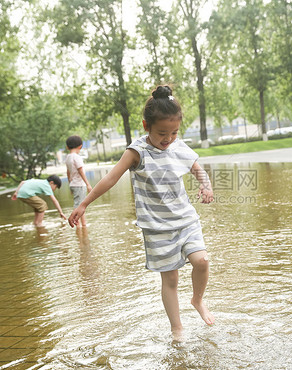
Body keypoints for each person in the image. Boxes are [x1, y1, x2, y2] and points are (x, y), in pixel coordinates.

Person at [68, 85, 215, 339]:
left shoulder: (178, 146)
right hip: (157, 227)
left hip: (185, 220)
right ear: (146, 125)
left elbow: (197, 168)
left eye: (174, 132)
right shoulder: (137, 151)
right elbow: (111, 179)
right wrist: (84, 203)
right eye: (162, 133)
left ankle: (197, 300)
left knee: (202, 260)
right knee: (170, 280)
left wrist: (206, 184)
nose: (168, 138)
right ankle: (177, 328)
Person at [65, 135, 93, 227]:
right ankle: (80, 225)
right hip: (79, 185)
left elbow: (68, 172)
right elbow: (81, 171)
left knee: (80, 204)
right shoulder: (76, 157)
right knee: (80, 205)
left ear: (67, 147)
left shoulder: (68, 157)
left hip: (73, 184)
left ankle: (82, 224)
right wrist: (88, 184)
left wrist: (70, 184)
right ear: (80, 146)